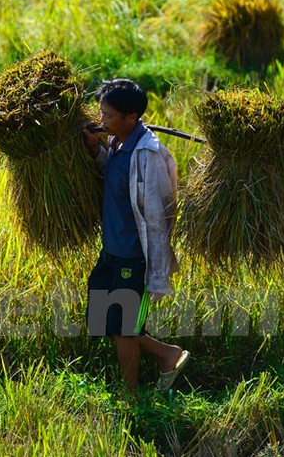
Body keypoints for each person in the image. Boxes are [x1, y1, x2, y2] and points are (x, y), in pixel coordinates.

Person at [81, 78, 190, 393]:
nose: (102, 121)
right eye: (101, 113)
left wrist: (156, 273)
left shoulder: (148, 155)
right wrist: (95, 150)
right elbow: (116, 178)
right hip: (111, 251)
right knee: (100, 317)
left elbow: (158, 217)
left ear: (132, 118)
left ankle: (131, 396)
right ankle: (169, 354)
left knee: (124, 328)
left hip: (134, 257)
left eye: (109, 116)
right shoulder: (117, 143)